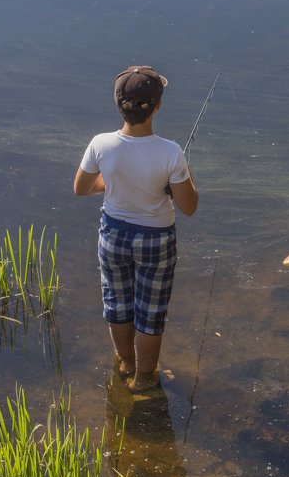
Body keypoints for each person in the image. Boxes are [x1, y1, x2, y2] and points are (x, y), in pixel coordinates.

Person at [74, 65, 199, 392]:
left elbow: (82, 188)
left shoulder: (100, 144)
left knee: (117, 303)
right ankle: (143, 377)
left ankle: (126, 363)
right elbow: (189, 206)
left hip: (113, 235)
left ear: (118, 104)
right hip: (156, 239)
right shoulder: (171, 152)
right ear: (157, 106)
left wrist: (115, 183)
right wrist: (171, 184)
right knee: (151, 311)